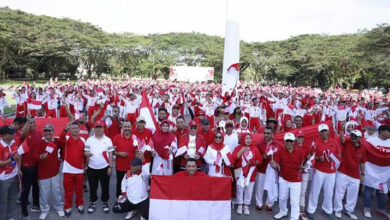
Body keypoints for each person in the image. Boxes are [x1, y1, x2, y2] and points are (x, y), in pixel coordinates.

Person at [306, 124, 341, 220]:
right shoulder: (316, 142)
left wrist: (335, 158)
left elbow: (339, 153)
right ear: (319, 133)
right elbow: (311, 156)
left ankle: (327, 210)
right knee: (315, 191)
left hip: (331, 171)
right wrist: (318, 158)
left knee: (329, 192)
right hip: (319, 170)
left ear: (328, 131)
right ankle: (310, 210)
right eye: (322, 131)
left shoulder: (334, 141)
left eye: (325, 130)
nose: (324, 133)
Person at [271, 132, 305, 220]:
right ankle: (283, 211)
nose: (289, 143)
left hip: (296, 180)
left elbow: (302, 165)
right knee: (282, 198)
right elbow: (275, 165)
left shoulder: (300, 151)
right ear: (284, 142)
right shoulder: (280, 151)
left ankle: (294, 217)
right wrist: (273, 165)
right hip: (283, 178)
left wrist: (302, 167)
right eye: (287, 141)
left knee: (294, 201)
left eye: (291, 141)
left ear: (294, 141)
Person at [333, 129, 365, 220]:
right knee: (339, 192)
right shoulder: (347, 142)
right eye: (352, 136)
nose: (353, 138)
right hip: (342, 172)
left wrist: (362, 174)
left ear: (360, 138)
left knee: (353, 194)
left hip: (355, 175)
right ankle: (338, 209)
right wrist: (342, 129)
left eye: (355, 136)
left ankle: (349, 210)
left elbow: (362, 162)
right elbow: (342, 139)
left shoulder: (363, 149)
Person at [84, 120, 114, 214]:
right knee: (93, 187)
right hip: (92, 168)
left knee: (105, 187)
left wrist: (110, 166)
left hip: (104, 168)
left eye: (100, 127)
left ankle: (105, 202)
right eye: (97, 127)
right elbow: (85, 152)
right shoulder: (89, 140)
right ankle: (93, 202)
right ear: (94, 129)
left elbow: (110, 153)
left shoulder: (108, 140)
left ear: (103, 128)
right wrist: (88, 154)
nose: (99, 129)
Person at [36, 124, 65, 220]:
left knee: (57, 191)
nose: (48, 133)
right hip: (43, 173)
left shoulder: (56, 141)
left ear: (53, 132)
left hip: (55, 171)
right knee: (44, 193)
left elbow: (63, 148)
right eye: (46, 131)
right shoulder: (39, 142)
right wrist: (40, 156)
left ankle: (59, 207)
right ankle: (44, 210)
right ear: (44, 132)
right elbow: (34, 156)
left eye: (49, 131)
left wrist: (61, 158)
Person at [362, 125, 390, 218]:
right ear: (382, 131)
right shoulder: (370, 141)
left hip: (384, 175)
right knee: (368, 190)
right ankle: (366, 208)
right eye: (388, 131)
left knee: (382, 193)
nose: (389, 134)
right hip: (371, 172)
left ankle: (381, 209)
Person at [60, 121, 86, 216]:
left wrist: (85, 165)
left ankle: (80, 204)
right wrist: (65, 129)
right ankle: (67, 206)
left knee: (79, 190)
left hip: (80, 170)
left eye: (76, 128)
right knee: (68, 191)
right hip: (68, 169)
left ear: (79, 129)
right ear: (70, 130)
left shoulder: (83, 140)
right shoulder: (66, 138)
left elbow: (85, 153)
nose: (75, 129)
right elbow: (60, 139)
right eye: (73, 128)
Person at [233, 133, 262, 216]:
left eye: (250, 138)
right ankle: (240, 204)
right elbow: (234, 158)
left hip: (251, 172)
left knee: (249, 190)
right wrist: (242, 150)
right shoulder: (238, 147)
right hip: (239, 171)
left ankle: (246, 205)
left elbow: (260, 160)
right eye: (246, 138)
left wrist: (254, 162)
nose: (248, 140)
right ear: (242, 139)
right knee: (239, 189)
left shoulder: (255, 148)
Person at [19, 115, 42, 219]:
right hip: (26, 166)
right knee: (26, 189)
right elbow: (22, 134)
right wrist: (27, 122)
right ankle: (24, 211)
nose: (33, 124)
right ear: (27, 124)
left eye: (34, 122)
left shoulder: (38, 133)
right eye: (30, 122)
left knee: (36, 186)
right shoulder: (24, 134)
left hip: (36, 165)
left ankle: (36, 204)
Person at [255, 126, 280, 214]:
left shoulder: (276, 144)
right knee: (260, 187)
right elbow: (257, 157)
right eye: (264, 133)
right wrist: (263, 157)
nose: (265, 135)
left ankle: (269, 204)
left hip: (272, 170)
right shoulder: (259, 144)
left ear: (272, 134)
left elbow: (279, 156)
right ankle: (259, 203)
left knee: (271, 188)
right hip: (262, 169)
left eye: (268, 133)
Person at [0, 126, 22, 220]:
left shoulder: (14, 142)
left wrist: (19, 169)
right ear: (4, 136)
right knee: (3, 201)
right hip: (3, 179)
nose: (13, 134)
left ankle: (9, 217)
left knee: (13, 198)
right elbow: (0, 164)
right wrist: (12, 159)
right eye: (10, 133)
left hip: (14, 175)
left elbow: (18, 156)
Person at [112, 121, 136, 198]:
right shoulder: (116, 137)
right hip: (120, 167)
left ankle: (130, 199)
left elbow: (137, 151)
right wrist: (119, 153)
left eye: (128, 127)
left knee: (131, 184)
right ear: (122, 127)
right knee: (120, 183)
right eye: (125, 127)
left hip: (132, 167)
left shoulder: (135, 138)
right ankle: (119, 199)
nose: (127, 128)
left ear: (131, 128)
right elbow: (112, 152)